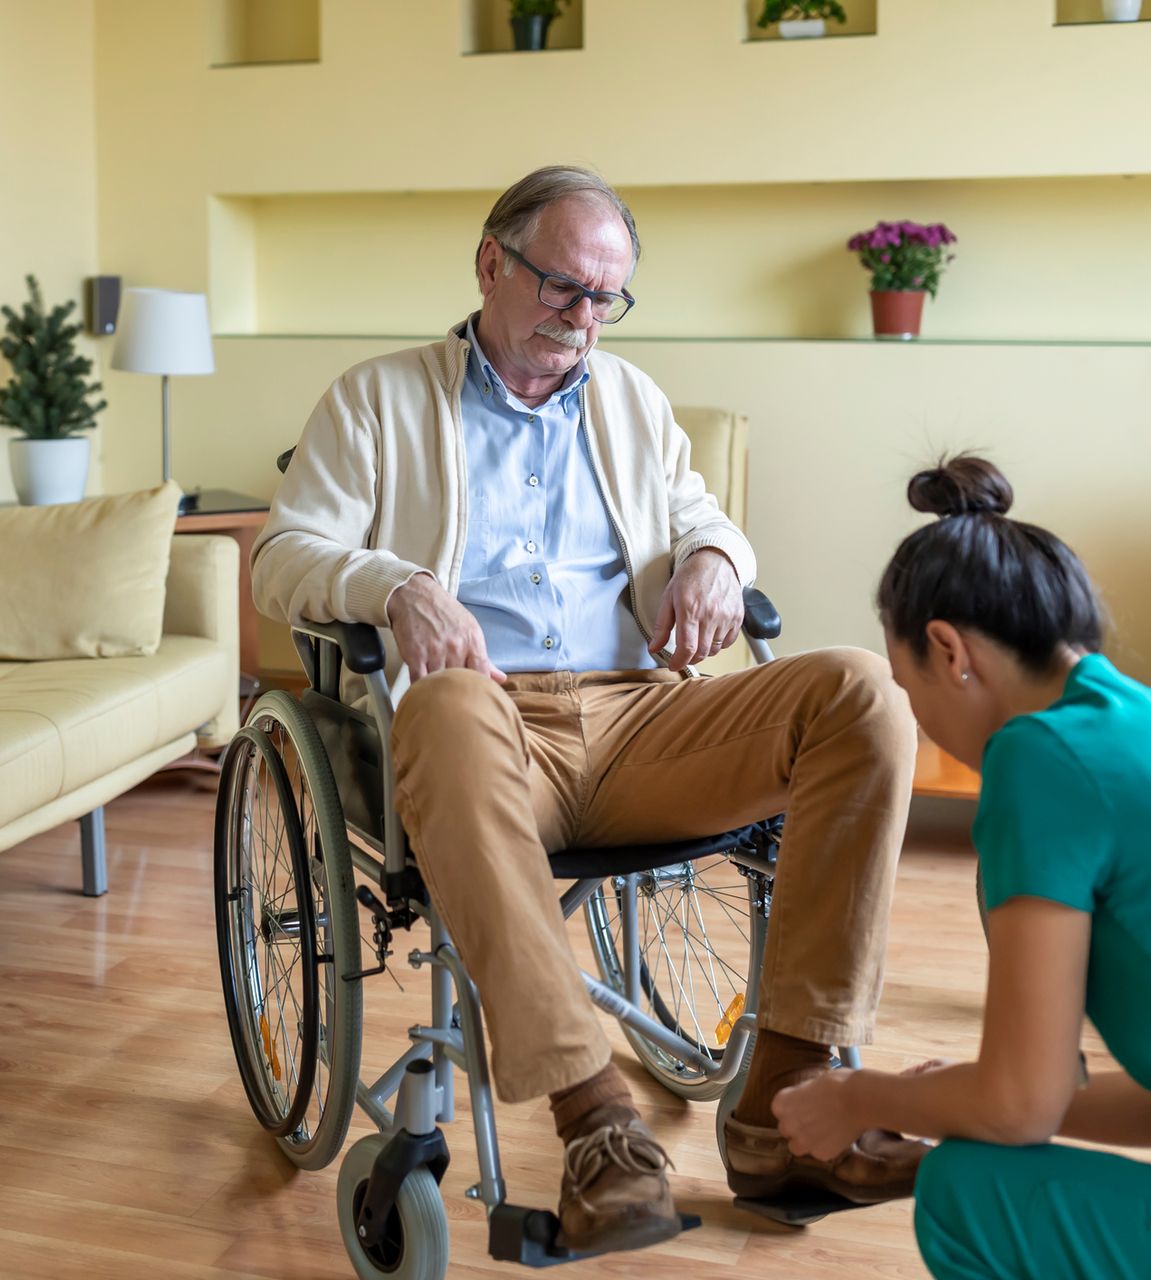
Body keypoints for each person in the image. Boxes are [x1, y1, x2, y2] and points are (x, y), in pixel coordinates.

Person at [251, 164, 927, 1254]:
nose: (585, 316)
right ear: (492, 263)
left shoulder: (631, 400)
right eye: (565, 286)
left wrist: (714, 558)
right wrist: (398, 586)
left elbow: (704, 516)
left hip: (641, 718)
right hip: (484, 725)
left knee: (862, 693)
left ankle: (790, 1105)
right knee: (445, 706)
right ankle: (597, 1123)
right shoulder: (376, 397)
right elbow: (283, 558)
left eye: (608, 297)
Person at [773, 455, 1151, 1280]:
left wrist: (859, 1098)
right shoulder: (1144, 718)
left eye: (907, 688)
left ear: (948, 650)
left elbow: (1020, 1107)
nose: (918, 721)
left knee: (966, 1192)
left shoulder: (1039, 759)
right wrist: (959, 1094)